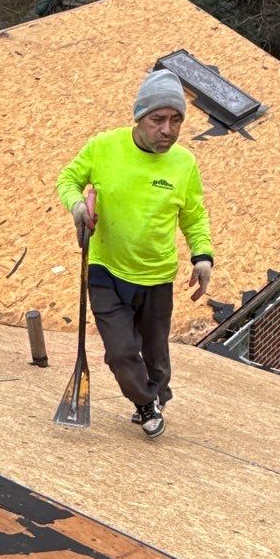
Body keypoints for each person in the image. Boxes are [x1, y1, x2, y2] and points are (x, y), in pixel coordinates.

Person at [55, 68, 214, 437]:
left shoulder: (184, 164)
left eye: (176, 120)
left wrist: (202, 256)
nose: (168, 130)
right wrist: (77, 206)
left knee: (156, 356)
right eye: (158, 119)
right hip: (105, 269)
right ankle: (145, 403)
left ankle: (157, 393)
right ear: (139, 117)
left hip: (157, 275)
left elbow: (194, 215)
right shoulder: (103, 147)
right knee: (121, 352)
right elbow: (68, 179)